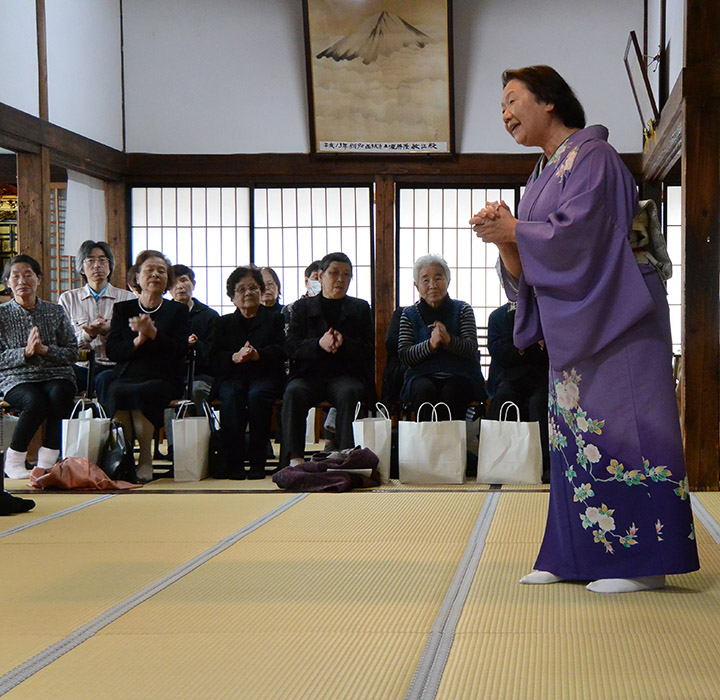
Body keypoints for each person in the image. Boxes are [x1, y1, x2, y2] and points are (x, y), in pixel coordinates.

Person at [471, 65, 699, 593]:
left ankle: (644, 562)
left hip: (620, 318)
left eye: (511, 100)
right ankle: (574, 554)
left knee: (628, 430)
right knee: (576, 441)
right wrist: (507, 240)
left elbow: (584, 239)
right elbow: (536, 262)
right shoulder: (540, 175)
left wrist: (517, 229)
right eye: (501, 106)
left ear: (548, 101)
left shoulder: (593, 156)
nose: (504, 113)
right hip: (578, 325)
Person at [281, 252, 374, 466]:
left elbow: (369, 349)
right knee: (293, 392)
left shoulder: (360, 308)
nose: (340, 279)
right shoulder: (301, 307)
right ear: (320, 276)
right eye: (334, 273)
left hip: (345, 374)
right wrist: (318, 344)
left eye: (346, 275)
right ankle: (294, 458)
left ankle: (345, 455)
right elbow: (291, 346)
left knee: (350, 392)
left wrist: (345, 343)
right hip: (309, 375)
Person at [106, 250, 190, 482]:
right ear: (137, 277)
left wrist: (153, 333)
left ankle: (145, 460)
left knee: (143, 392)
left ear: (167, 279)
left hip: (164, 375)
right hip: (128, 373)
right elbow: (113, 350)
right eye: (149, 270)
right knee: (117, 390)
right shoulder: (123, 310)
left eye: (161, 271)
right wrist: (138, 340)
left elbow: (178, 349)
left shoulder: (177, 311)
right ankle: (124, 459)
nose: (155, 275)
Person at [0, 255, 78, 480]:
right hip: (16, 378)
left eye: (28, 275)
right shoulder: (2, 314)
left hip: (56, 373)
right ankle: (14, 459)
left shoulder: (55, 311)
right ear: (8, 282)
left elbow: (72, 352)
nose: (22, 281)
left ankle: (46, 462)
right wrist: (25, 352)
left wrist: (45, 350)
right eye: (15, 276)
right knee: (35, 402)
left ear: (38, 279)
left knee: (61, 393)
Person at [210, 266, 285, 479]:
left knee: (257, 396)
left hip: (266, 375)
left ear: (261, 292)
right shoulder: (223, 323)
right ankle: (234, 463)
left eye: (253, 287)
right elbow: (213, 357)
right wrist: (234, 357)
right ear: (232, 297)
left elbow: (282, 351)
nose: (248, 293)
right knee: (231, 396)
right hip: (233, 376)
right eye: (241, 289)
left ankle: (258, 462)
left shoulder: (274, 319)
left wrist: (258, 355)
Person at [398, 254, 486, 420]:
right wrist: (430, 345)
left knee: (452, 391)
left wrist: (449, 341)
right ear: (417, 286)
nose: (432, 285)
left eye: (438, 278)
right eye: (425, 280)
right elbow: (405, 355)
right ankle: (425, 444)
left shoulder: (463, 309)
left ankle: (452, 444)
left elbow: (471, 348)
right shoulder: (408, 314)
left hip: (460, 375)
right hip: (421, 376)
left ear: (448, 281)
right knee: (423, 390)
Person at [58, 240, 135, 407]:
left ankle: (108, 429)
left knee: (105, 381)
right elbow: (63, 342)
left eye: (102, 260)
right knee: (58, 388)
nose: (97, 265)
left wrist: (110, 331)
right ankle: (67, 432)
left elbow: (131, 341)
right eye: (90, 260)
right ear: (81, 268)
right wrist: (88, 335)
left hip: (112, 366)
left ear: (110, 266)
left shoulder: (128, 298)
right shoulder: (68, 299)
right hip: (79, 367)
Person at [487, 300, 550, 481]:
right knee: (504, 397)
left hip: (542, 379)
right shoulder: (498, 316)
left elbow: (553, 349)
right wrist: (526, 346)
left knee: (539, 403)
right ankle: (502, 462)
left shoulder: (546, 311)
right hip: (509, 378)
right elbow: (500, 353)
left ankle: (545, 464)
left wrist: (522, 347)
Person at [168, 264, 219, 408]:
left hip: (202, 375)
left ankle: (204, 430)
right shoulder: (164, 315)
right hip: (173, 375)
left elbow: (213, 354)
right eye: (174, 283)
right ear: (168, 289)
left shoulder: (209, 316)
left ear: (193, 284)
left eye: (184, 280)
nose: (179, 286)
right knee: (162, 390)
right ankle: (172, 431)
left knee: (196, 390)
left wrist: (196, 344)